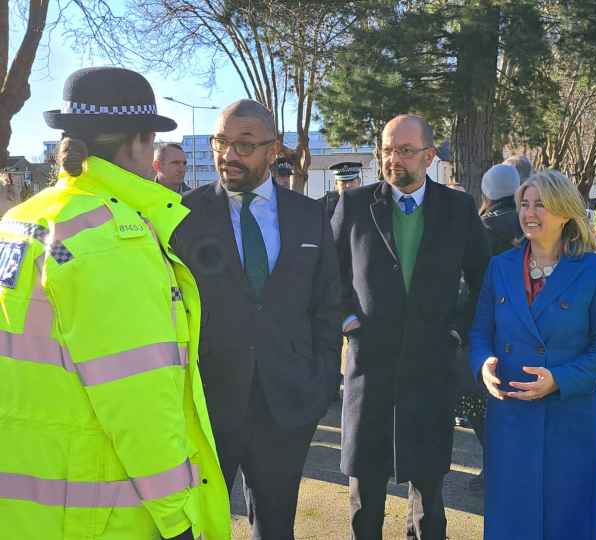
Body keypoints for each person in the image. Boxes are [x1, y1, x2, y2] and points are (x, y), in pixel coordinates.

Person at [0, 67, 230, 540]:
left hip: (27, 506)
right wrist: (177, 519)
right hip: (100, 512)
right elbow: (139, 400)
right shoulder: (111, 238)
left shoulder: (23, 219)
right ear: (141, 142)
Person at [173, 99, 342, 540]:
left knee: (276, 525)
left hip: (288, 400)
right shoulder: (181, 216)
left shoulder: (308, 215)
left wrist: (324, 378)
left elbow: (326, 304)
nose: (228, 154)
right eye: (220, 142)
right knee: (198, 524)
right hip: (208, 402)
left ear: (273, 150)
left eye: (244, 144)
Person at [332, 114, 492, 540]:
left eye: (404, 150)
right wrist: (348, 320)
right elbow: (328, 276)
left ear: (429, 155)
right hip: (370, 369)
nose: (393, 159)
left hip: (430, 370)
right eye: (386, 149)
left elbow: (483, 280)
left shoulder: (458, 208)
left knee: (429, 506)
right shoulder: (354, 205)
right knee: (365, 501)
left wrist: (458, 330)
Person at [468, 170, 596, 540]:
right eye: (524, 204)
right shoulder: (499, 266)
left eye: (541, 205)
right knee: (510, 517)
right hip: (510, 414)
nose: (529, 212)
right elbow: (479, 333)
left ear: (565, 212)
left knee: (566, 518)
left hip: (569, 417)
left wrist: (559, 379)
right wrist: (483, 364)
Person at [457, 163, 524, 492]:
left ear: (485, 192)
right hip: (526, 328)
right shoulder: (532, 223)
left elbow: (470, 284)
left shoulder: (479, 228)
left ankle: (495, 467)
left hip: (485, 328)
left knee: (478, 400)